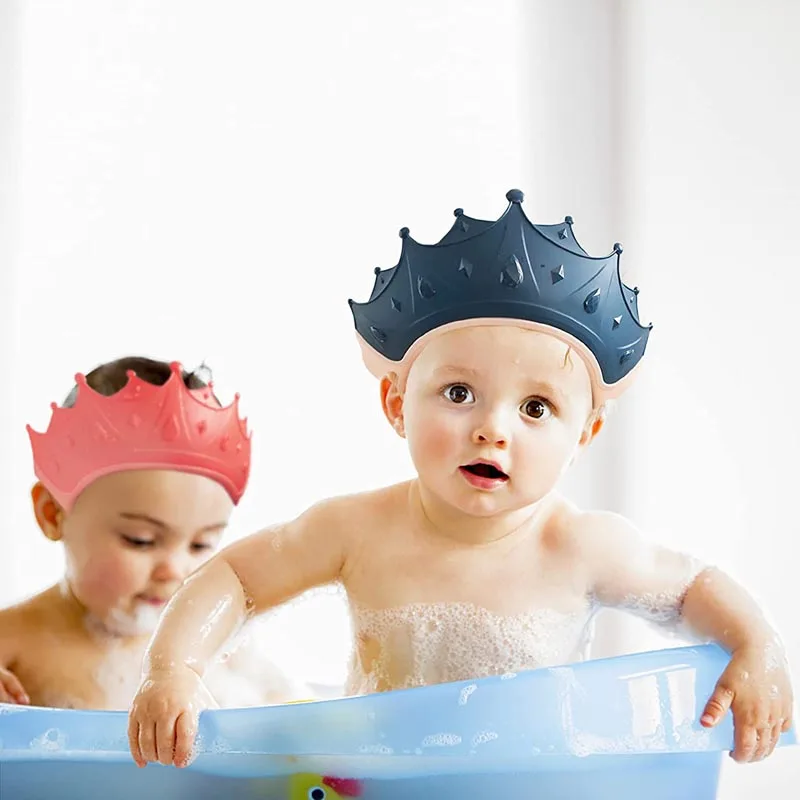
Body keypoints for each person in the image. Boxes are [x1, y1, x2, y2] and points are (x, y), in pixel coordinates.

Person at [127, 191, 793, 768]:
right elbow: (238, 579)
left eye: (536, 409)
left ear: (583, 436)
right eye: (458, 392)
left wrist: (755, 646)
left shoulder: (581, 547)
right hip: (382, 782)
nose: (493, 429)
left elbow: (689, 588)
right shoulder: (355, 529)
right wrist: (174, 670)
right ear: (396, 405)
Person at [0, 356, 304, 711]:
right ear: (52, 515)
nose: (175, 570)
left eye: (201, 544)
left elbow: (284, 710)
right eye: (140, 540)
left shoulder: (218, 646)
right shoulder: (12, 643)